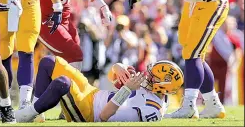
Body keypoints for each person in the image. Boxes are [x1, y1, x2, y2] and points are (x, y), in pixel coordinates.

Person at [13, 55, 184, 123]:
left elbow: (104, 116)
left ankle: (26, 114)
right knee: (49, 62)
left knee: (62, 83)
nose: (147, 76)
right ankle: (36, 115)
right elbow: (113, 80)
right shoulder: (155, 89)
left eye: (152, 77)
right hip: (92, 93)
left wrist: (126, 89)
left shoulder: (152, 110)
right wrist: (118, 67)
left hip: (89, 112)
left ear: (162, 87)